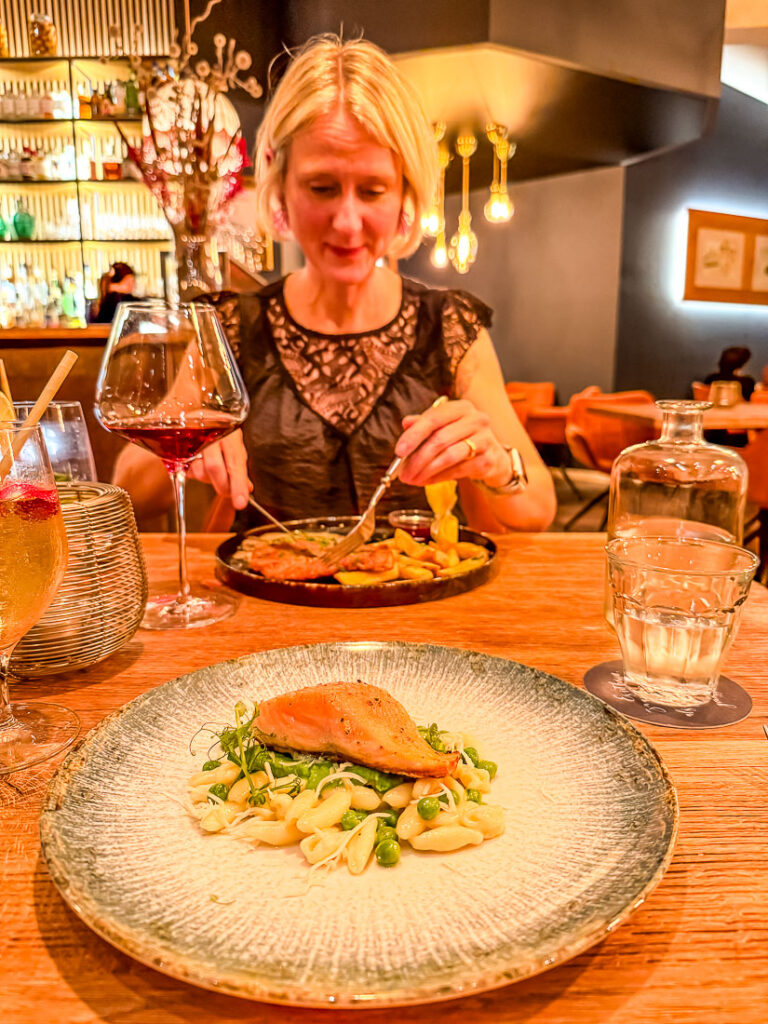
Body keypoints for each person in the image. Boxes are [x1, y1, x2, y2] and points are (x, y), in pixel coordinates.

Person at [114, 35, 556, 534]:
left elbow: (538, 508)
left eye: (373, 190)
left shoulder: (450, 327)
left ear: (405, 193)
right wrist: (192, 438)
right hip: (267, 600)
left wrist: (496, 464)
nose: (347, 222)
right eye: (321, 187)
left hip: (414, 598)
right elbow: (127, 489)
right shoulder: (232, 327)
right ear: (280, 184)